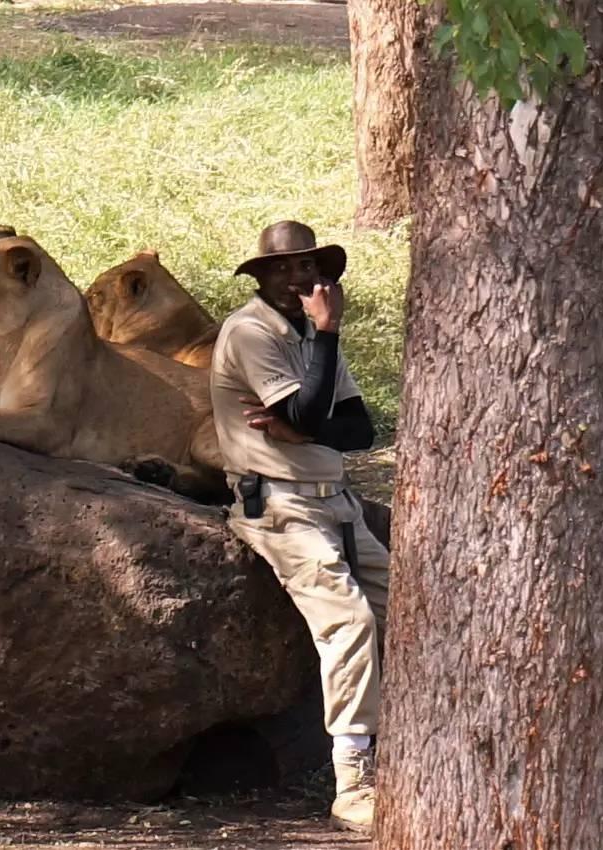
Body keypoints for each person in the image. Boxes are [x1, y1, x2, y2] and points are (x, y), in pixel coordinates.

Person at [209, 220, 389, 833]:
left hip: (337, 500)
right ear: (260, 277)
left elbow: (359, 432)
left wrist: (305, 425)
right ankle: (353, 778)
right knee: (350, 621)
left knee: (414, 610)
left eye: (308, 267)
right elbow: (307, 412)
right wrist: (327, 348)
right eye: (282, 268)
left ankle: (417, 748)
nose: (297, 278)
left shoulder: (312, 337)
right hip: (280, 504)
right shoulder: (250, 332)